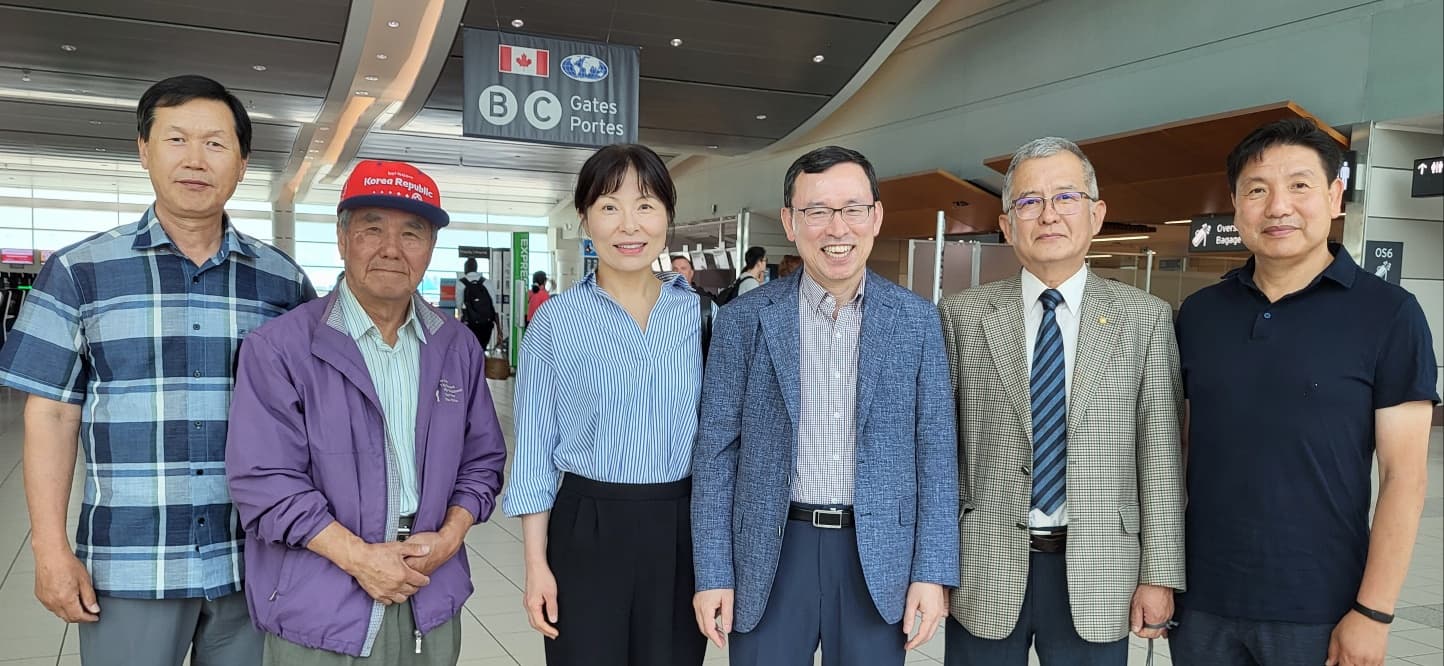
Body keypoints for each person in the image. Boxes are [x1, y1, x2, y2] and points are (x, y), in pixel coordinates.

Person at [0, 74, 315, 666]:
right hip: (132, 562)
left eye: (216, 144)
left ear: (242, 162)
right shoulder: (79, 271)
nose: (196, 160)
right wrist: (49, 549)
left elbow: (311, 419)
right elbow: (51, 415)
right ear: (144, 149)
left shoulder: (283, 282)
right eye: (177, 139)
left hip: (257, 560)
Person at [1169, 119, 1439, 666]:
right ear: (1236, 204)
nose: (1278, 207)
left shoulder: (1389, 314)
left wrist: (1373, 612)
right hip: (1201, 604)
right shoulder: (1200, 315)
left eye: (1299, 185)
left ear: (1336, 197)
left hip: (1321, 607)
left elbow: (1404, 478)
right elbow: (1178, 453)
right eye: (1258, 189)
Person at [225, 159, 508, 664]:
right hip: (321, 601)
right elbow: (264, 481)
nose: (391, 249)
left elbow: (482, 459)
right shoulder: (281, 348)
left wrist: (450, 536)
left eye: (412, 233)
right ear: (342, 237)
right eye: (371, 228)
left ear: (431, 247)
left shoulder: (456, 347)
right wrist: (362, 560)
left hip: (430, 591)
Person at [692, 145, 958, 665]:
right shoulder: (745, 321)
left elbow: (937, 454)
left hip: (878, 555)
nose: (837, 228)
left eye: (853, 209)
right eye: (817, 211)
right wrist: (714, 572)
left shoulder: (916, 320)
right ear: (790, 222)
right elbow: (716, 454)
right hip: (769, 552)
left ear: (876, 217)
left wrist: (931, 571)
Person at [936, 137, 1184, 665]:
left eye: (1066, 198)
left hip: (1099, 571)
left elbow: (1160, 457)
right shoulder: (963, 316)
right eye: (1029, 202)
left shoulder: (1144, 318)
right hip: (984, 566)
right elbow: (941, 455)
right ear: (1007, 224)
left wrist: (1160, 574)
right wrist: (933, 567)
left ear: (1096, 215)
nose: (1048, 215)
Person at [504, 143, 707, 666]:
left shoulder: (703, 319)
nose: (628, 225)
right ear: (584, 219)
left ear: (667, 215)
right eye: (609, 206)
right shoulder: (555, 322)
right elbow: (533, 451)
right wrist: (535, 565)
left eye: (645, 205)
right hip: (584, 527)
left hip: (680, 529)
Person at [672, 254, 717, 360]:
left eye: (683, 269)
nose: (678, 272)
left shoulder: (704, 302)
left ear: (691, 273)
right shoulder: (659, 299)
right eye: (675, 269)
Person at [459, 257, 502, 350]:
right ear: (476, 268)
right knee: (481, 349)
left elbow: (459, 306)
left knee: (469, 350)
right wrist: (499, 330)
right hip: (486, 324)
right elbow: (494, 307)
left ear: (465, 268)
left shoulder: (461, 283)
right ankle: (481, 363)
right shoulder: (487, 282)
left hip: (469, 324)